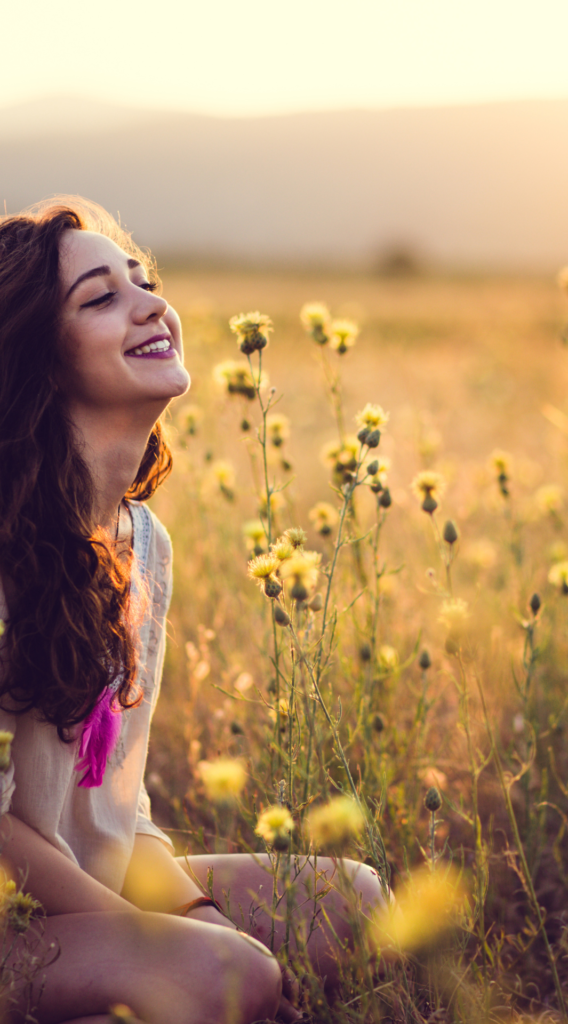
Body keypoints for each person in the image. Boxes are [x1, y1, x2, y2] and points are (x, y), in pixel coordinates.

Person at [0, 197, 384, 1024]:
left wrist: (199, 921)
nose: (152, 307)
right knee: (214, 979)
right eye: (101, 297)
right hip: (6, 916)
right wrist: (170, 946)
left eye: (145, 282)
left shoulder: (145, 546)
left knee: (355, 903)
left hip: (86, 891)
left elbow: (117, 816)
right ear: (39, 358)